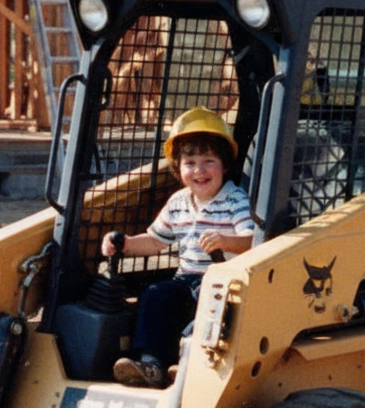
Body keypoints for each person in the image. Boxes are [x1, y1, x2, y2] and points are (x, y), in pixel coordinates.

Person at [102, 107, 254, 387]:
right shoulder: (178, 202)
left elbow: (254, 240)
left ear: (225, 165)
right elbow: (156, 240)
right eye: (190, 162)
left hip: (224, 284)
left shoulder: (235, 200)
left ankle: (190, 364)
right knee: (156, 294)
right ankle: (151, 364)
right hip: (186, 280)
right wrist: (123, 244)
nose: (199, 170)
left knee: (208, 306)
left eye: (209, 161)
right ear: (177, 167)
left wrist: (226, 241)